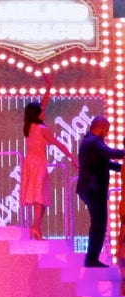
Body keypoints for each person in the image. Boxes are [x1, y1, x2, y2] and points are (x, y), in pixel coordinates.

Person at [20, 76, 77, 240]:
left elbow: (43, 104)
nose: (44, 112)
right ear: (37, 114)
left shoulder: (29, 126)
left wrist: (49, 86)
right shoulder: (41, 128)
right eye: (42, 111)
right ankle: (35, 227)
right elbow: (58, 144)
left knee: (41, 196)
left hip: (31, 162)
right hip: (38, 163)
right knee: (40, 196)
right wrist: (72, 157)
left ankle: (36, 227)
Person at [76, 115, 124, 267]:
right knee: (99, 224)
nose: (107, 133)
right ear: (101, 128)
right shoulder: (94, 142)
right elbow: (111, 153)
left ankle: (92, 258)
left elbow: (106, 162)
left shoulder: (91, 142)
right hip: (93, 189)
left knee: (98, 223)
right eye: (107, 130)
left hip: (92, 188)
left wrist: (122, 168)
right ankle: (92, 259)